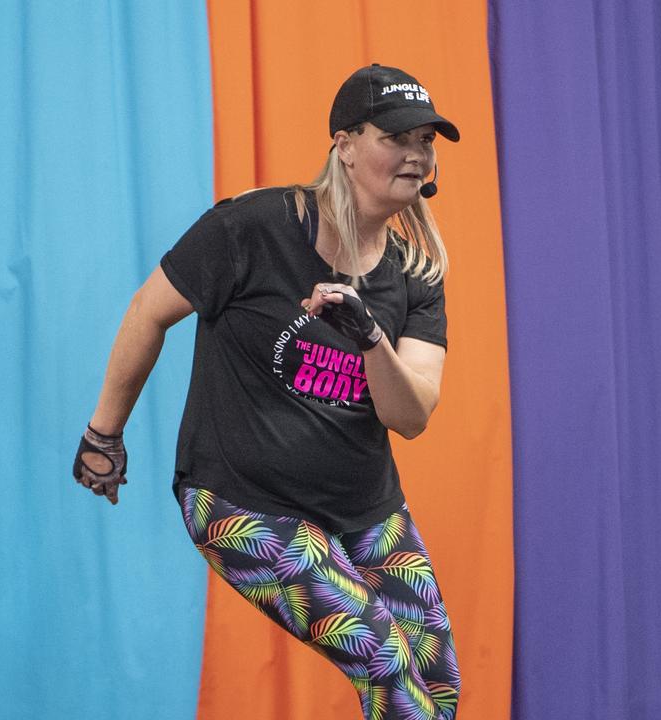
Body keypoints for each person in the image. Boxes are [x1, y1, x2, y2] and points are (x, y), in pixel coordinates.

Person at [73, 64, 462, 720]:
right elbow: (148, 312)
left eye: (425, 139)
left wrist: (368, 334)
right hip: (242, 505)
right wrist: (102, 435)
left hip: (363, 508)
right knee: (384, 658)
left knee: (436, 682)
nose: (416, 153)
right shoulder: (252, 228)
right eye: (396, 137)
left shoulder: (414, 275)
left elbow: (412, 415)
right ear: (344, 145)